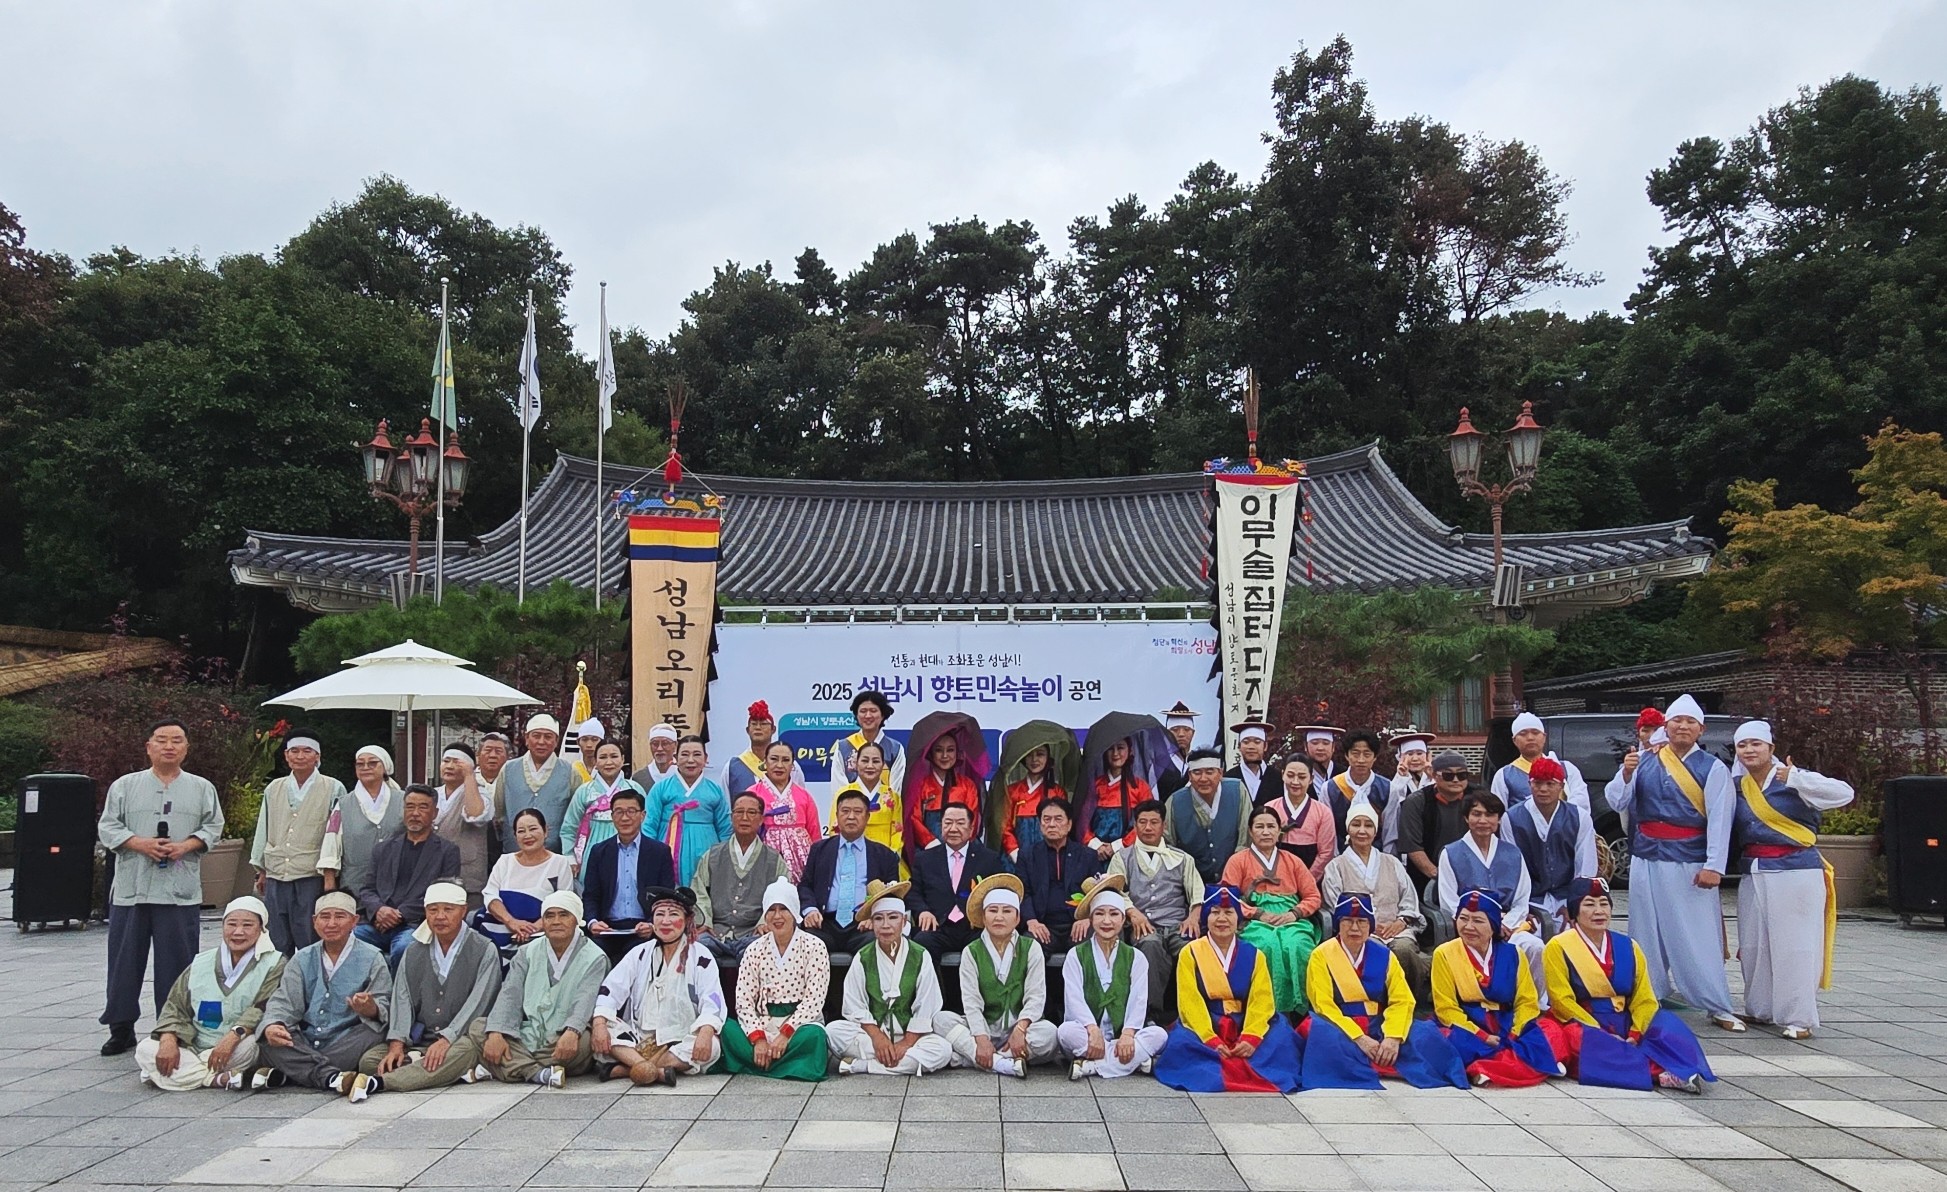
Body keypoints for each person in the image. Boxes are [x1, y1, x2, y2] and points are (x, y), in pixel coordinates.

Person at [1602, 693, 1742, 1031]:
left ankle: (1715, 1003)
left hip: (1689, 860)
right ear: (1666, 725)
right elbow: (1617, 801)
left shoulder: (1712, 768)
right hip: (1646, 857)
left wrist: (1714, 865)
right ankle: (1648, 996)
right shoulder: (1643, 759)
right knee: (1644, 931)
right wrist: (1625, 773)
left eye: (1690, 722)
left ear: (1701, 730)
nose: (1683, 726)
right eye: (1677, 720)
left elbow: (1720, 820)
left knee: (1695, 933)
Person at [99, 719, 226, 1056]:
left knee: (178, 963)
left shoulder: (201, 788)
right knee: (124, 962)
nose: (169, 746)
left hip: (178, 890)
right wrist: (138, 843)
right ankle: (121, 1027)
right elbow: (108, 827)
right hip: (132, 889)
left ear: (186, 747)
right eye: (162, 740)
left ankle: (172, 1028)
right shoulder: (125, 786)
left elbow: (213, 826)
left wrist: (186, 845)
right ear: (149, 746)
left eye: (177, 740)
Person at [1729, 719, 1854, 1040]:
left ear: (1770, 748)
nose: (1749, 750)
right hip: (1754, 870)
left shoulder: (1794, 778)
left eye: (1756, 744)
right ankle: (1760, 1008)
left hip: (1796, 870)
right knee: (1754, 945)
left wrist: (1796, 778)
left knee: (1795, 945)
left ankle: (1799, 1017)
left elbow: (1844, 793)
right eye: (1742, 745)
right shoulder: (1738, 786)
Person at [1542, 877, 1714, 1093]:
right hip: (1584, 1020)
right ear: (1574, 911)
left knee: (1668, 1027)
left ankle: (1661, 1067)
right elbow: (1561, 1000)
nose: (1599, 911)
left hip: (1625, 1019)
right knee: (1582, 1042)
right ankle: (1660, 1073)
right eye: (1589, 904)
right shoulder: (1558, 946)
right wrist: (1599, 1030)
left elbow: (1644, 997)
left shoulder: (1629, 945)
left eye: (1604, 904)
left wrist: (1635, 1031)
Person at [1299, 893, 1467, 1090]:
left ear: (1370, 925)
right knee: (1318, 1033)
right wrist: (1359, 1038)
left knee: (1426, 1034)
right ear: (1338, 923)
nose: (1355, 928)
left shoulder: (1385, 955)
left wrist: (1393, 1037)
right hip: (1340, 1024)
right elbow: (1323, 1005)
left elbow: (1402, 1000)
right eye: (1348, 921)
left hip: (1379, 1022)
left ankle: (1383, 1058)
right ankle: (1374, 1065)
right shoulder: (1321, 955)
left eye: (1362, 921)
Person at [1152, 886, 1303, 1093]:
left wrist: (1251, 1036)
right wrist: (1209, 1038)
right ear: (1206, 917)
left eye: (1229, 912)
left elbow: (1262, 1000)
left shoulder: (1255, 955)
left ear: (1238, 917)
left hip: (1245, 1021)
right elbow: (1189, 1001)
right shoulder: (1190, 953)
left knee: (1281, 1036)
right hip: (1207, 1021)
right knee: (1183, 1043)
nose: (1222, 919)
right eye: (1215, 912)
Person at [358, 882, 500, 1091]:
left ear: (463, 911)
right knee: (370, 1061)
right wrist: (397, 1043)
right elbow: (402, 998)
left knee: (465, 1052)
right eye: (433, 910)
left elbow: (480, 1002)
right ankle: (442, 1071)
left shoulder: (484, 949)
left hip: (461, 1039)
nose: (440, 916)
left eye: (448, 909)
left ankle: (380, 1082)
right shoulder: (413, 950)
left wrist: (447, 1038)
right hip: (421, 1040)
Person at [135, 895, 286, 1091]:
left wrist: (233, 1037)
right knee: (145, 1048)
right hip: (193, 1044)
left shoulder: (274, 963)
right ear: (223, 927)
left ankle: (173, 1074)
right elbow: (175, 1006)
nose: (238, 932)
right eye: (231, 924)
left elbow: (262, 1007)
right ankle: (216, 1079)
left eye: (247, 925)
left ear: (261, 928)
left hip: (237, 1044)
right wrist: (168, 1039)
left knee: (253, 1045)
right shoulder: (201, 962)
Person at [259, 891, 392, 1102]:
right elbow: (284, 1001)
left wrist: (371, 1008)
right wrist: (274, 1024)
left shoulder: (372, 957)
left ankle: (296, 1072)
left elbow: (385, 1004)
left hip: (347, 1039)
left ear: (354, 921)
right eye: (324, 916)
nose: (331, 923)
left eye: (340, 916)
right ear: (314, 921)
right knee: (269, 1039)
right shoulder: (302, 958)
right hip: (308, 1037)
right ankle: (330, 1076)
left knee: (374, 1032)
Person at [592, 887, 726, 1086]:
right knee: (604, 1027)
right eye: (660, 914)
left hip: (680, 1037)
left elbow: (712, 999)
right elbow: (610, 990)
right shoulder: (639, 953)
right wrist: (599, 1023)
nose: (665, 921)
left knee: (712, 1045)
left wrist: (706, 1030)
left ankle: (628, 1068)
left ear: (687, 920)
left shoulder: (701, 956)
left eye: (673, 914)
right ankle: (655, 1071)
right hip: (638, 1036)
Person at [1431, 889, 1561, 1087]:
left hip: (1506, 1021)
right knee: (1443, 1040)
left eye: (1478, 921)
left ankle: (1487, 1068)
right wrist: (1481, 1035)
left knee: (1551, 1031)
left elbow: (1526, 1001)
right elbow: (1445, 1007)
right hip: (1467, 1024)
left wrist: (1514, 1032)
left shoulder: (1514, 953)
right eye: (1463, 919)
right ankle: (1512, 1066)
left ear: (1493, 925)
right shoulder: (1444, 953)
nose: (1468, 926)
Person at [480, 891, 611, 1087]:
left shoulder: (595, 958)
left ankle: (504, 1066)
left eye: (564, 915)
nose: (556, 921)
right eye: (549, 916)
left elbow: (585, 1002)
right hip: (528, 1035)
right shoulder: (527, 952)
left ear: (577, 919)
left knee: (584, 1040)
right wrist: (497, 1032)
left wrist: (572, 1031)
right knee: (480, 1027)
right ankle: (538, 1073)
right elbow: (510, 994)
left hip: (563, 1037)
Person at [936, 874, 1060, 1077]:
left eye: (1007, 911)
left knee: (1050, 1034)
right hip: (984, 1026)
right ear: (984, 917)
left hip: (1019, 1028)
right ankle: (1001, 1062)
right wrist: (981, 1037)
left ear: (1017, 918)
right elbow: (971, 1002)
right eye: (993, 911)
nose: (999, 917)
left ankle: (974, 1058)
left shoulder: (1031, 948)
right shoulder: (972, 951)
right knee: (941, 1020)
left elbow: (1036, 996)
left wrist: (1020, 1029)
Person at [826, 880, 954, 1076]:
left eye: (893, 917)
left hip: (912, 1037)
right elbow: (854, 1005)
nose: (885, 925)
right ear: (872, 923)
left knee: (942, 1050)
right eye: (879, 919)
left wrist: (906, 1043)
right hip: (873, 1036)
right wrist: (877, 1038)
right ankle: (899, 1062)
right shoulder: (863, 957)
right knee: (833, 1031)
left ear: (904, 921)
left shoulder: (920, 955)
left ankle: (862, 1066)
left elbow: (927, 1005)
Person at [719, 878, 831, 1082]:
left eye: (783, 909)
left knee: (814, 1036)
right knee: (726, 1028)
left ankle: (758, 1064)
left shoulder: (815, 946)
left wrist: (785, 1034)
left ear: (794, 912)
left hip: (798, 1026)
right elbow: (744, 1001)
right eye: (771, 910)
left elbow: (814, 1000)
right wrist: (759, 1039)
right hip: (763, 1023)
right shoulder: (754, 949)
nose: (777, 916)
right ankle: (780, 1062)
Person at [1438, 789, 1546, 996]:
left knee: (1535, 947)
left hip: (1509, 928)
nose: (1483, 820)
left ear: (1498, 819)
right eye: (1476, 814)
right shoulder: (1451, 853)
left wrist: (1506, 924)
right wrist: (1484, 924)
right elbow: (1449, 900)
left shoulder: (1513, 853)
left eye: (1489, 815)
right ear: (1466, 818)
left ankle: (1536, 1003)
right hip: (1470, 928)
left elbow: (1521, 899)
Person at [1059, 877, 1168, 1080]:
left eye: (1114, 914)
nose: (1107, 921)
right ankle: (1134, 1062)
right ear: (1091, 919)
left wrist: (1128, 1034)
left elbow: (1138, 1000)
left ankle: (1090, 1066)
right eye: (1099, 914)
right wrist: (1092, 1029)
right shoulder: (1076, 955)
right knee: (1065, 1032)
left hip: (1122, 1036)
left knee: (1159, 1035)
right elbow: (1074, 999)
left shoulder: (1136, 957)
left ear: (1123, 919)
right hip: (1087, 1034)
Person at [1106, 799, 1204, 1024]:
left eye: (1154, 822)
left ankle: (1196, 1012)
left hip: (1177, 924)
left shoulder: (1182, 858)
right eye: (1142, 822)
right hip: (1143, 925)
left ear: (1164, 825)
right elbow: (1114, 890)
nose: (1148, 827)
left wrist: (1193, 916)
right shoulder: (1122, 858)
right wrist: (1132, 912)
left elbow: (1197, 891)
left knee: (1193, 950)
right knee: (1149, 945)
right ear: (1135, 825)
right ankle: (1150, 1014)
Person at [250, 727, 345, 954]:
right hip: (276, 872)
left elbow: (337, 833)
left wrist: (331, 874)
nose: (300, 756)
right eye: (294, 751)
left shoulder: (333, 788)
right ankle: (280, 977)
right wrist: (261, 869)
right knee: (277, 939)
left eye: (307, 751)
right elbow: (264, 828)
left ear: (317, 756)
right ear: (286, 755)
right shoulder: (274, 788)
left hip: (311, 874)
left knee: (309, 937)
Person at [1221, 804, 1323, 1013]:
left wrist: (1294, 913)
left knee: (1296, 945)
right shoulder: (1237, 861)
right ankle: (1266, 1008)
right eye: (1259, 827)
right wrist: (1258, 913)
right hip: (1254, 921)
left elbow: (1313, 896)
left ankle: (1302, 1008)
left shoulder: (1293, 861)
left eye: (1271, 826)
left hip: (1292, 920)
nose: (1265, 832)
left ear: (1279, 831)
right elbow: (1227, 898)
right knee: (1267, 944)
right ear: (1250, 831)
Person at [1320, 802, 1426, 999]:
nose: (1362, 830)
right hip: (1357, 930)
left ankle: (1407, 1002)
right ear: (1348, 829)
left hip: (1395, 929)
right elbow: (1335, 905)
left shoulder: (1392, 862)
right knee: (1373, 950)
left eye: (1368, 825)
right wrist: (1367, 925)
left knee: (1404, 950)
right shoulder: (1336, 867)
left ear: (1376, 831)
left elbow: (1409, 898)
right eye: (1356, 824)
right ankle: (1372, 1003)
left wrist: (1401, 921)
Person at [354, 785, 461, 969]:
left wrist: (399, 914)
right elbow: (367, 889)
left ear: (434, 813)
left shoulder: (447, 851)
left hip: (415, 924)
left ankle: (398, 989)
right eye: (410, 807)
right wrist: (380, 910)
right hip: (377, 922)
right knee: (348, 938)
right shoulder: (383, 848)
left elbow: (443, 894)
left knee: (403, 948)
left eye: (423, 807)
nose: (415, 813)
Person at [582, 788, 680, 963]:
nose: (625, 818)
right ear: (612, 816)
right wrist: (593, 922)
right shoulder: (599, 852)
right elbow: (591, 895)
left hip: (643, 928)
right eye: (619, 812)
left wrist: (652, 923)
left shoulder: (659, 852)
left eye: (631, 811)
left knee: (638, 957)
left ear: (642, 815)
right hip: (607, 928)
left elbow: (666, 897)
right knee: (591, 956)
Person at [799, 789, 902, 955]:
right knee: (806, 941)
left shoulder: (884, 855)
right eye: (845, 811)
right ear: (837, 816)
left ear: (867, 817)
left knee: (877, 940)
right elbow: (805, 885)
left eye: (858, 812)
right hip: (824, 923)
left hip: (863, 925)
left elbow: (892, 895)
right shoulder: (819, 850)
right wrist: (810, 910)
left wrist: (876, 917)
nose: (851, 817)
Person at [692, 791, 790, 963]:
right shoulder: (713, 855)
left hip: (754, 932)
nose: (744, 817)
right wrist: (704, 921)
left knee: (762, 951)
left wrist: (764, 922)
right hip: (715, 932)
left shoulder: (774, 860)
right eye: (739, 812)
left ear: (761, 819)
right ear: (731, 817)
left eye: (751, 812)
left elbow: (782, 897)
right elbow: (698, 892)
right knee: (697, 948)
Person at [1501, 755, 1597, 927]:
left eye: (1550, 783)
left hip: (1566, 897)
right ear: (1529, 784)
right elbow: (1511, 868)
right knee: (1527, 938)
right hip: (1530, 899)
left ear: (1561, 786)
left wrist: (1576, 905)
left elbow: (1585, 866)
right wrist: (1520, 907)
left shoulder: (1579, 817)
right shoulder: (1511, 818)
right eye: (1537, 783)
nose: (1543, 789)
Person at [909, 802, 1005, 958]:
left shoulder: (988, 859)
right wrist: (923, 911)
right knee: (922, 942)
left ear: (971, 828)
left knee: (989, 942)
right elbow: (913, 892)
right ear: (941, 826)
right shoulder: (925, 859)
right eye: (948, 823)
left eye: (960, 823)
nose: (953, 829)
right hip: (937, 926)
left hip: (974, 928)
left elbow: (999, 893)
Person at [478, 808, 575, 951]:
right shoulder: (505, 861)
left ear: (545, 831)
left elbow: (564, 903)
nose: (527, 835)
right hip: (497, 933)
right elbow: (490, 895)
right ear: (515, 835)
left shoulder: (560, 863)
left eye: (533, 829)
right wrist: (512, 922)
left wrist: (532, 929)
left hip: (540, 938)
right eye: (521, 831)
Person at [1018, 797, 1101, 954]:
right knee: (1029, 945)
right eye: (1046, 819)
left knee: (1091, 943)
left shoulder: (1087, 855)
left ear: (1069, 824)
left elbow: (1098, 891)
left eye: (1058, 819)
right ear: (1040, 824)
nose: (1052, 824)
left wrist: (1088, 918)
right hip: (1043, 925)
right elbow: (1023, 892)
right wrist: (1031, 920)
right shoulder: (1027, 855)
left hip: (1078, 924)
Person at [647, 736, 733, 886]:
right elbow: (649, 825)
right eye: (685, 754)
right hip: (667, 852)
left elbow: (725, 829)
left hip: (707, 852)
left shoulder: (715, 791)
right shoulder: (661, 788)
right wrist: (651, 855)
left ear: (706, 759)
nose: (691, 760)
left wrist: (722, 858)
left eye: (697, 754)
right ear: (675, 758)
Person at [1398, 750, 1473, 922]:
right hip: (1430, 880)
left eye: (1462, 775)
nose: (1456, 780)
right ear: (1433, 775)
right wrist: (1442, 877)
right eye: (1448, 775)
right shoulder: (1417, 802)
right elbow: (1413, 847)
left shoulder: (1478, 797)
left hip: (1474, 878)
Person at [324, 745, 403, 907]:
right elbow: (331, 842)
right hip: (355, 884)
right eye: (360, 764)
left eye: (372, 763)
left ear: (385, 767)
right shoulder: (343, 804)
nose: (365, 767)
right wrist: (329, 882)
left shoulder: (404, 800)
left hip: (398, 883)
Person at [1164, 748, 1250, 886]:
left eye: (1210, 772)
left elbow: (1246, 836)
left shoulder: (1237, 790)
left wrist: (1235, 872)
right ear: (1189, 775)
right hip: (1191, 882)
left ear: (1220, 773)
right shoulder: (1175, 801)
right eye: (1197, 772)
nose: (1203, 778)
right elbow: (1168, 844)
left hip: (1235, 880)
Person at [563, 741, 645, 873]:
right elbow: (569, 827)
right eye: (602, 757)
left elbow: (645, 824)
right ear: (595, 761)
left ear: (623, 759)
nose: (609, 762)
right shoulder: (584, 791)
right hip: (592, 851)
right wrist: (569, 856)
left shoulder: (634, 789)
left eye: (614, 756)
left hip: (630, 850)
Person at [501, 714, 578, 854]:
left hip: (555, 854)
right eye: (536, 736)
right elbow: (499, 809)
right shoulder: (508, 769)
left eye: (548, 737)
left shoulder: (570, 772)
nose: (541, 742)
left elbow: (576, 816)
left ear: (556, 741)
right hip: (514, 853)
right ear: (526, 739)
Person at [746, 740, 822, 881]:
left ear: (792, 765)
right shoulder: (752, 794)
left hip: (801, 859)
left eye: (786, 760)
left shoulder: (804, 796)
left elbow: (815, 833)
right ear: (765, 762)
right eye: (774, 759)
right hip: (763, 857)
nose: (779, 765)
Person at [431, 744, 494, 906]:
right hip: (433, 873)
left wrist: (469, 777)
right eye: (446, 761)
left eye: (457, 762)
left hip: (467, 875)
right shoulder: (433, 794)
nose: (450, 766)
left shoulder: (480, 793)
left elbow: (476, 814)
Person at [1493, 712, 1592, 814]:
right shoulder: (1504, 775)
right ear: (1514, 740)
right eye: (1523, 734)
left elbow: (1581, 805)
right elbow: (1497, 813)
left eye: (1535, 732)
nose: (1530, 737)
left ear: (1544, 737)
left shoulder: (1567, 769)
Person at [1262, 754, 1336, 885]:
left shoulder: (1323, 812)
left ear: (1311, 779)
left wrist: (1306, 882)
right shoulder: (1269, 809)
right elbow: (1262, 847)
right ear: (1283, 775)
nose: (1295, 782)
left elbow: (1326, 853)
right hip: (1274, 880)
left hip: (1312, 881)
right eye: (1290, 775)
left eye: (1302, 777)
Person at [834, 739, 904, 873]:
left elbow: (898, 831)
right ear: (856, 764)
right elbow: (835, 828)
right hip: (851, 854)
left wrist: (890, 856)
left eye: (876, 761)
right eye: (865, 761)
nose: (870, 766)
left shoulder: (892, 796)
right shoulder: (843, 794)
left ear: (883, 765)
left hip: (885, 857)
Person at [906, 729, 982, 852]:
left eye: (950, 750)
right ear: (930, 753)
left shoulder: (967, 785)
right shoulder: (920, 785)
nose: (945, 755)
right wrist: (931, 843)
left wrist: (957, 846)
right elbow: (914, 818)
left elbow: (972, 820)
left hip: (963, 848)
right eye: (939, 750)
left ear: (957, 753)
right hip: (928, 849)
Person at [830, 690, 906, 804]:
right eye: (863, 711)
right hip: (852, 810)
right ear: (856, 715)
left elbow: (896, 788)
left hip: (885, 810)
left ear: (882, 715)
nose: (868, 715)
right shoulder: (844, 747)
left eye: (873, 711)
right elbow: (838, 787)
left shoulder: (895, 749)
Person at [1080, 737, 1151, 860]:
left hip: (1130, 855)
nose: (1115, 753)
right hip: (1096, 855)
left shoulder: (1140, 787)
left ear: (1130, 751)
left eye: (1120, 748)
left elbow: (1147, 822)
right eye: (1110, 749)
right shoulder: (1095, 786)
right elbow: (1082, 821)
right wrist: (1096, 845)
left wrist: (1118, 846)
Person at [723, 700, 807, 796]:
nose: (758, 727)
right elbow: (726, 802)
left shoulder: (790, 765)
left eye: (763, 724)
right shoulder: (732, 767)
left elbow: (799, 797)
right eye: (754, 724)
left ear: (773, 729)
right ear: (747, 730)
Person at [999, 745, 1064, 859]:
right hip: (1016, 857)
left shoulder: (1057, 792)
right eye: (1029, 755)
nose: (1034, 759)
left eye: (1040, 754)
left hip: (1049, 857)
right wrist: (1015, 854)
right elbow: (1004, 826)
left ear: (1048, 757)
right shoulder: (1012, 791)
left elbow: (1061, 827)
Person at [1326, 731, 1390, 846]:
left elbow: (1390, 830)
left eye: (1367, 754)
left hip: (1378, 852)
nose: (1361, 760)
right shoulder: (1330, 788)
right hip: (1340, 852)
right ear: (1347, 755)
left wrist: (1386, 856)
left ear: (1375, 757)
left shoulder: (1388, 788)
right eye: (1355, 754)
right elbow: (1328, 830)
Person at [1383, 731, 1437, 853]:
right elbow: (1391, 816)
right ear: (1400, 757)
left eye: (1420, 753)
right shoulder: (1396, 784)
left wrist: (1432, 777)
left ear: (1428, 756)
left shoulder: (1434, 780)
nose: (1415, 758)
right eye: (1409, 753)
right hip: (1405, 845)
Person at [1154, 701, 1201, 798]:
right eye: (1175, 730)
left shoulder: (1198, 762)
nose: (1181, 734)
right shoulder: (1158, 763)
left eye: (1186, 729)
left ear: (1193, 733)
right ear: (1166, 733)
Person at [1225, 721, 1276, 802]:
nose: (1251, 747)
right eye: (1246, 742)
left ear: (1265, 746)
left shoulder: (1277, 778)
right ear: (1239, 746)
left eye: (1257, 742)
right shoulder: (1229, 778)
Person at [1294, 725, 1344, 802]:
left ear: (1333, 746)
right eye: (1315, 743)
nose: (1320, 748)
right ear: (1305, 746)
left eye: (1326, 743)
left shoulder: (1344, 774)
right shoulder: (1297, 776)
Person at [630, 722, 680, 792]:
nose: (659, 749)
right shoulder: (638, 778)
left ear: (675, 745)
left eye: (665, 743)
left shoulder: (683, 774)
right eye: (655, 744)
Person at [570, 718, 605, 787]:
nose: (589, 745)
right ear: (578, 742)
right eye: (584, 739)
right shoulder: (572, 769)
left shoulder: (607, 767)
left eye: (594, 740)